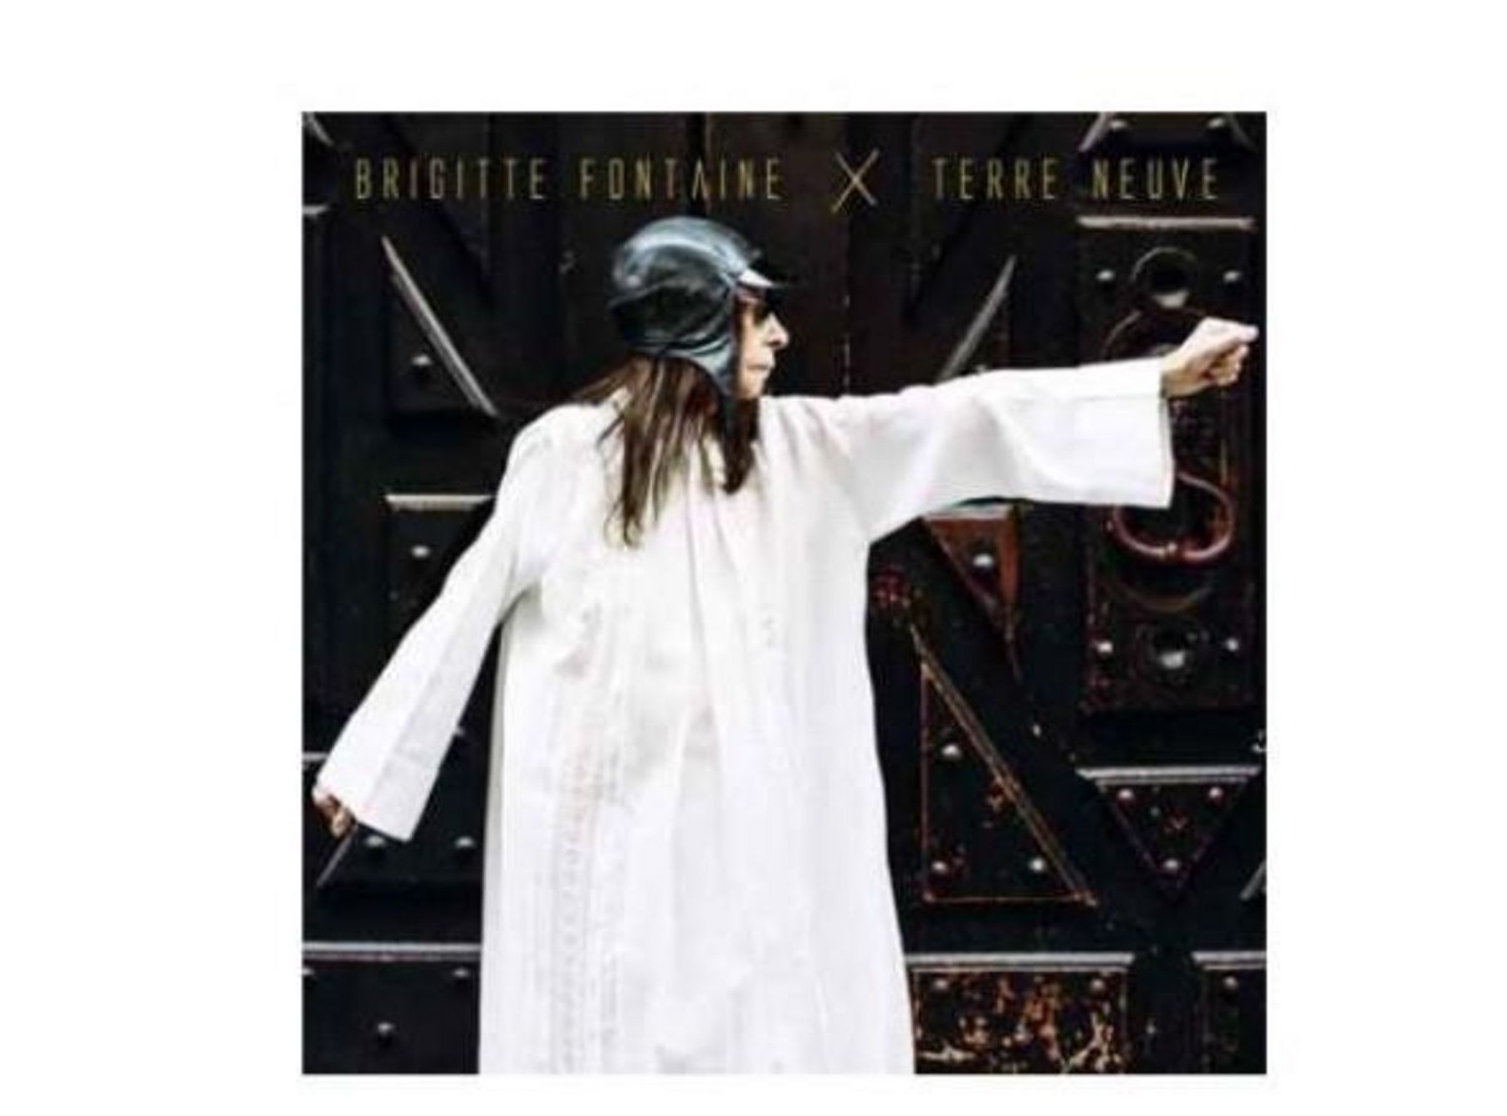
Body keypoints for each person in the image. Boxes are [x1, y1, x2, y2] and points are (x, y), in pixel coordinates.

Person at [311, 215, 1256, 1072]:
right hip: (614, 823)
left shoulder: (807, 452)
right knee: (610, 1020)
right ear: (697, 324)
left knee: (763, 1015)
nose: (779, 338)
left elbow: (963, 415)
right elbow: (467, 600)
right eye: (756, 315)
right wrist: (372, 762)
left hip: (755, 819)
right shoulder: (569, 456)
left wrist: (1156, 381)